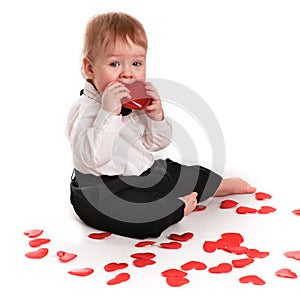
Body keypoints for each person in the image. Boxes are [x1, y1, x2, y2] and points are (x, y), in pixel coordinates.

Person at [65, 12, 256, 239]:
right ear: (90, 69)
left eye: (136, 63)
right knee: (132, 213)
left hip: (142, 173)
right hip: (100, 190)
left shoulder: (134, 102)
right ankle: (171, 210)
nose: (127, 73)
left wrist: (155, 115)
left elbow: (156, 143)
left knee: (178, 172)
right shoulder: (83, 110)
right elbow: (94, 159)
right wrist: (109, 113)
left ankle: (214, 186)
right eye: (114, 63)